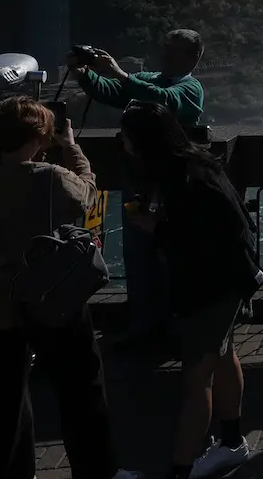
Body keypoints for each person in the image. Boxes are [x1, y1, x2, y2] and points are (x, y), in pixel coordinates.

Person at [0, 98, 139, 479]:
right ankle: (96, 476)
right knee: (80, 385)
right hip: (49, 296)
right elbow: (87, 194)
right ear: (37, 138)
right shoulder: (50, 177)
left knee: (4, 397)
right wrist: (71, 146)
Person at [109, 103, 263, 479]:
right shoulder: (198, 164)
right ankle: (230, 443)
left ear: (144, 141)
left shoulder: (184, 181)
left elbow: (191, 237)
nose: (121, 141)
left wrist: (149, 223)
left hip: (209, 290)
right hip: (231, 281)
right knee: (225, 354)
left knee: (196, 381)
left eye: (126, 136)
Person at [75, 30, 207, 348]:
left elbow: (164, 100)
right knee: (136, 251)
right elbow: (114, 91)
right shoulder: (149, 79)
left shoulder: (190, 88)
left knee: (169, 253)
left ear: (193, 57)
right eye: (166, 47)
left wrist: (120, 74)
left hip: (172, 186)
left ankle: (174, 328)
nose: (166, 54)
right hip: (138, 184)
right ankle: (142, 325)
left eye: (175, 51)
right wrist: (85, 74)